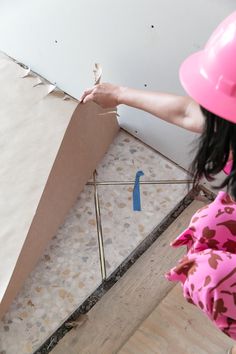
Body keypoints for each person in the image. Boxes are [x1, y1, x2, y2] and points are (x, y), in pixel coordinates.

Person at [81, 12, 236, 354]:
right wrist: (119, 93)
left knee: (207, 276)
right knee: (209, 223)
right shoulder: (229, 126)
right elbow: (186, 112)